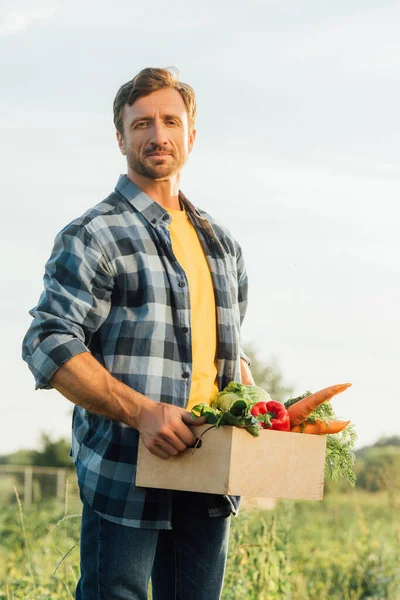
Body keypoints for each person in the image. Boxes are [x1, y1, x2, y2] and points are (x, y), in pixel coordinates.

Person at [22, 67, 255, 600]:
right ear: (121, 136)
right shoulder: (93, 234)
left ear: (191, 135)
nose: (158, 134)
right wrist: (143, 412)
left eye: (171, 120)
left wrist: (261, 408)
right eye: (142, 123)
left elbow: (228, 358)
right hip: (126, 470)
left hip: (208, 469)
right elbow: (48, 342)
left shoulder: (223, 246)